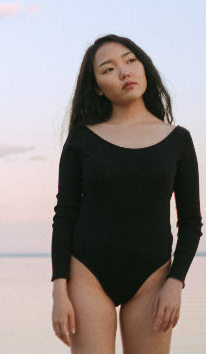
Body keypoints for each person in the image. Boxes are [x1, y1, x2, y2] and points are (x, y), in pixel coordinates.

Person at [51, 34, 202, 353]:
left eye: (130, 60)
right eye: (108, 69)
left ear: (144, 66)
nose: (124, 71)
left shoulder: (178, 141)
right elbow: (65, 215)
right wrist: (59, 290)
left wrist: (176, 282)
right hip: (87, 274)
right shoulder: (81, 140)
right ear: (96, 86)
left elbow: (190, 222)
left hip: (154, 277)